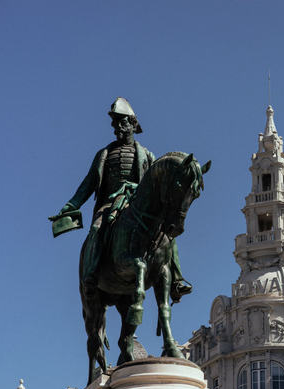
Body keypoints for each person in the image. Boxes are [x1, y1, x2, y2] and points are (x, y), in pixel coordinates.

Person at [56, 97, 192, 302]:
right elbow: (88, 183)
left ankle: (176, 280)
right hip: (110, 205)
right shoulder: (104, 154)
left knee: (167, 235)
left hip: (138, 204)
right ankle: (91, 274)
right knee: (96, 228)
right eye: (115, 123)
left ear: (133, 124)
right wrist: (71, 205)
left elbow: (156, 186)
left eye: (122, 122)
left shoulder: (146, 155)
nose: (117, 127)